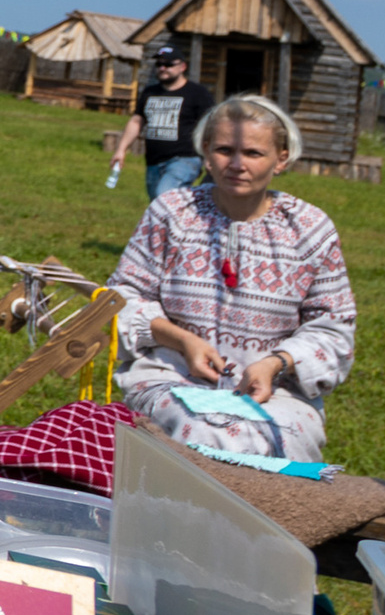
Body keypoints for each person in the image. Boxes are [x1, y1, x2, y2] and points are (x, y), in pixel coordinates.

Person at [109, 94, 354, 462]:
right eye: (225, 150)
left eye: (254, 153)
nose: (237, 164)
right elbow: (121, 298)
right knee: (204, 433)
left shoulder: (309, 229)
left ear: (281, 158)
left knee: (284, 440)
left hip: (278, 392)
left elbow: (333, 327)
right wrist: (182, 341)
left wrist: (276, 364)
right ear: (206, 152)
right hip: (171, 378)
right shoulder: (173, 213)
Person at [109, 45, 214, 201]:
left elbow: (210, 126)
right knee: (158, 207)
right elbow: (137, 120)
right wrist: (121, 149)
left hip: (185, 159)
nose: (163, 68)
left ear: (182, 67)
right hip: (153, 161)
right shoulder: (150, 92)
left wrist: (210, 156)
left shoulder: (197, 93)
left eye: (169, 64)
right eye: (159, 64)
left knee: (163, 196)